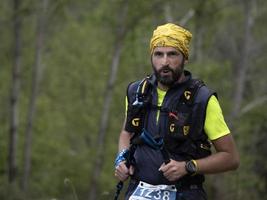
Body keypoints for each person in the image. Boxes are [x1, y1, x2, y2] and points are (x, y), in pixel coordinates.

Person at [114, 23, 239, 200]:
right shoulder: (137, 91)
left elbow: (231, 158)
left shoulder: (202, 99)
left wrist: (188, 167)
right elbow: (127, 133)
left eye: (172, 54)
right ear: (151, 57)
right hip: (138, 191)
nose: (165, 62)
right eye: (159, 54)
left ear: (184, 58)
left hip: (185, 193)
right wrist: (121, 160)